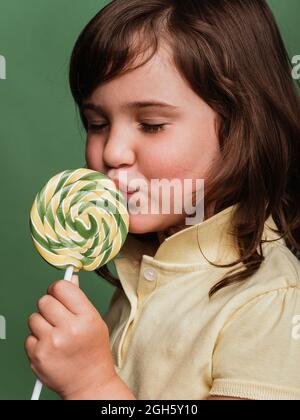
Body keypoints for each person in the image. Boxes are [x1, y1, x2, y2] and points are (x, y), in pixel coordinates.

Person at [25, 0, 300, 400]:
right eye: (97, 123)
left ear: (244, 126)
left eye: (151, 125)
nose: (113, 150)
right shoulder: (146, 265)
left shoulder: (271, 306)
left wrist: (91, 384)